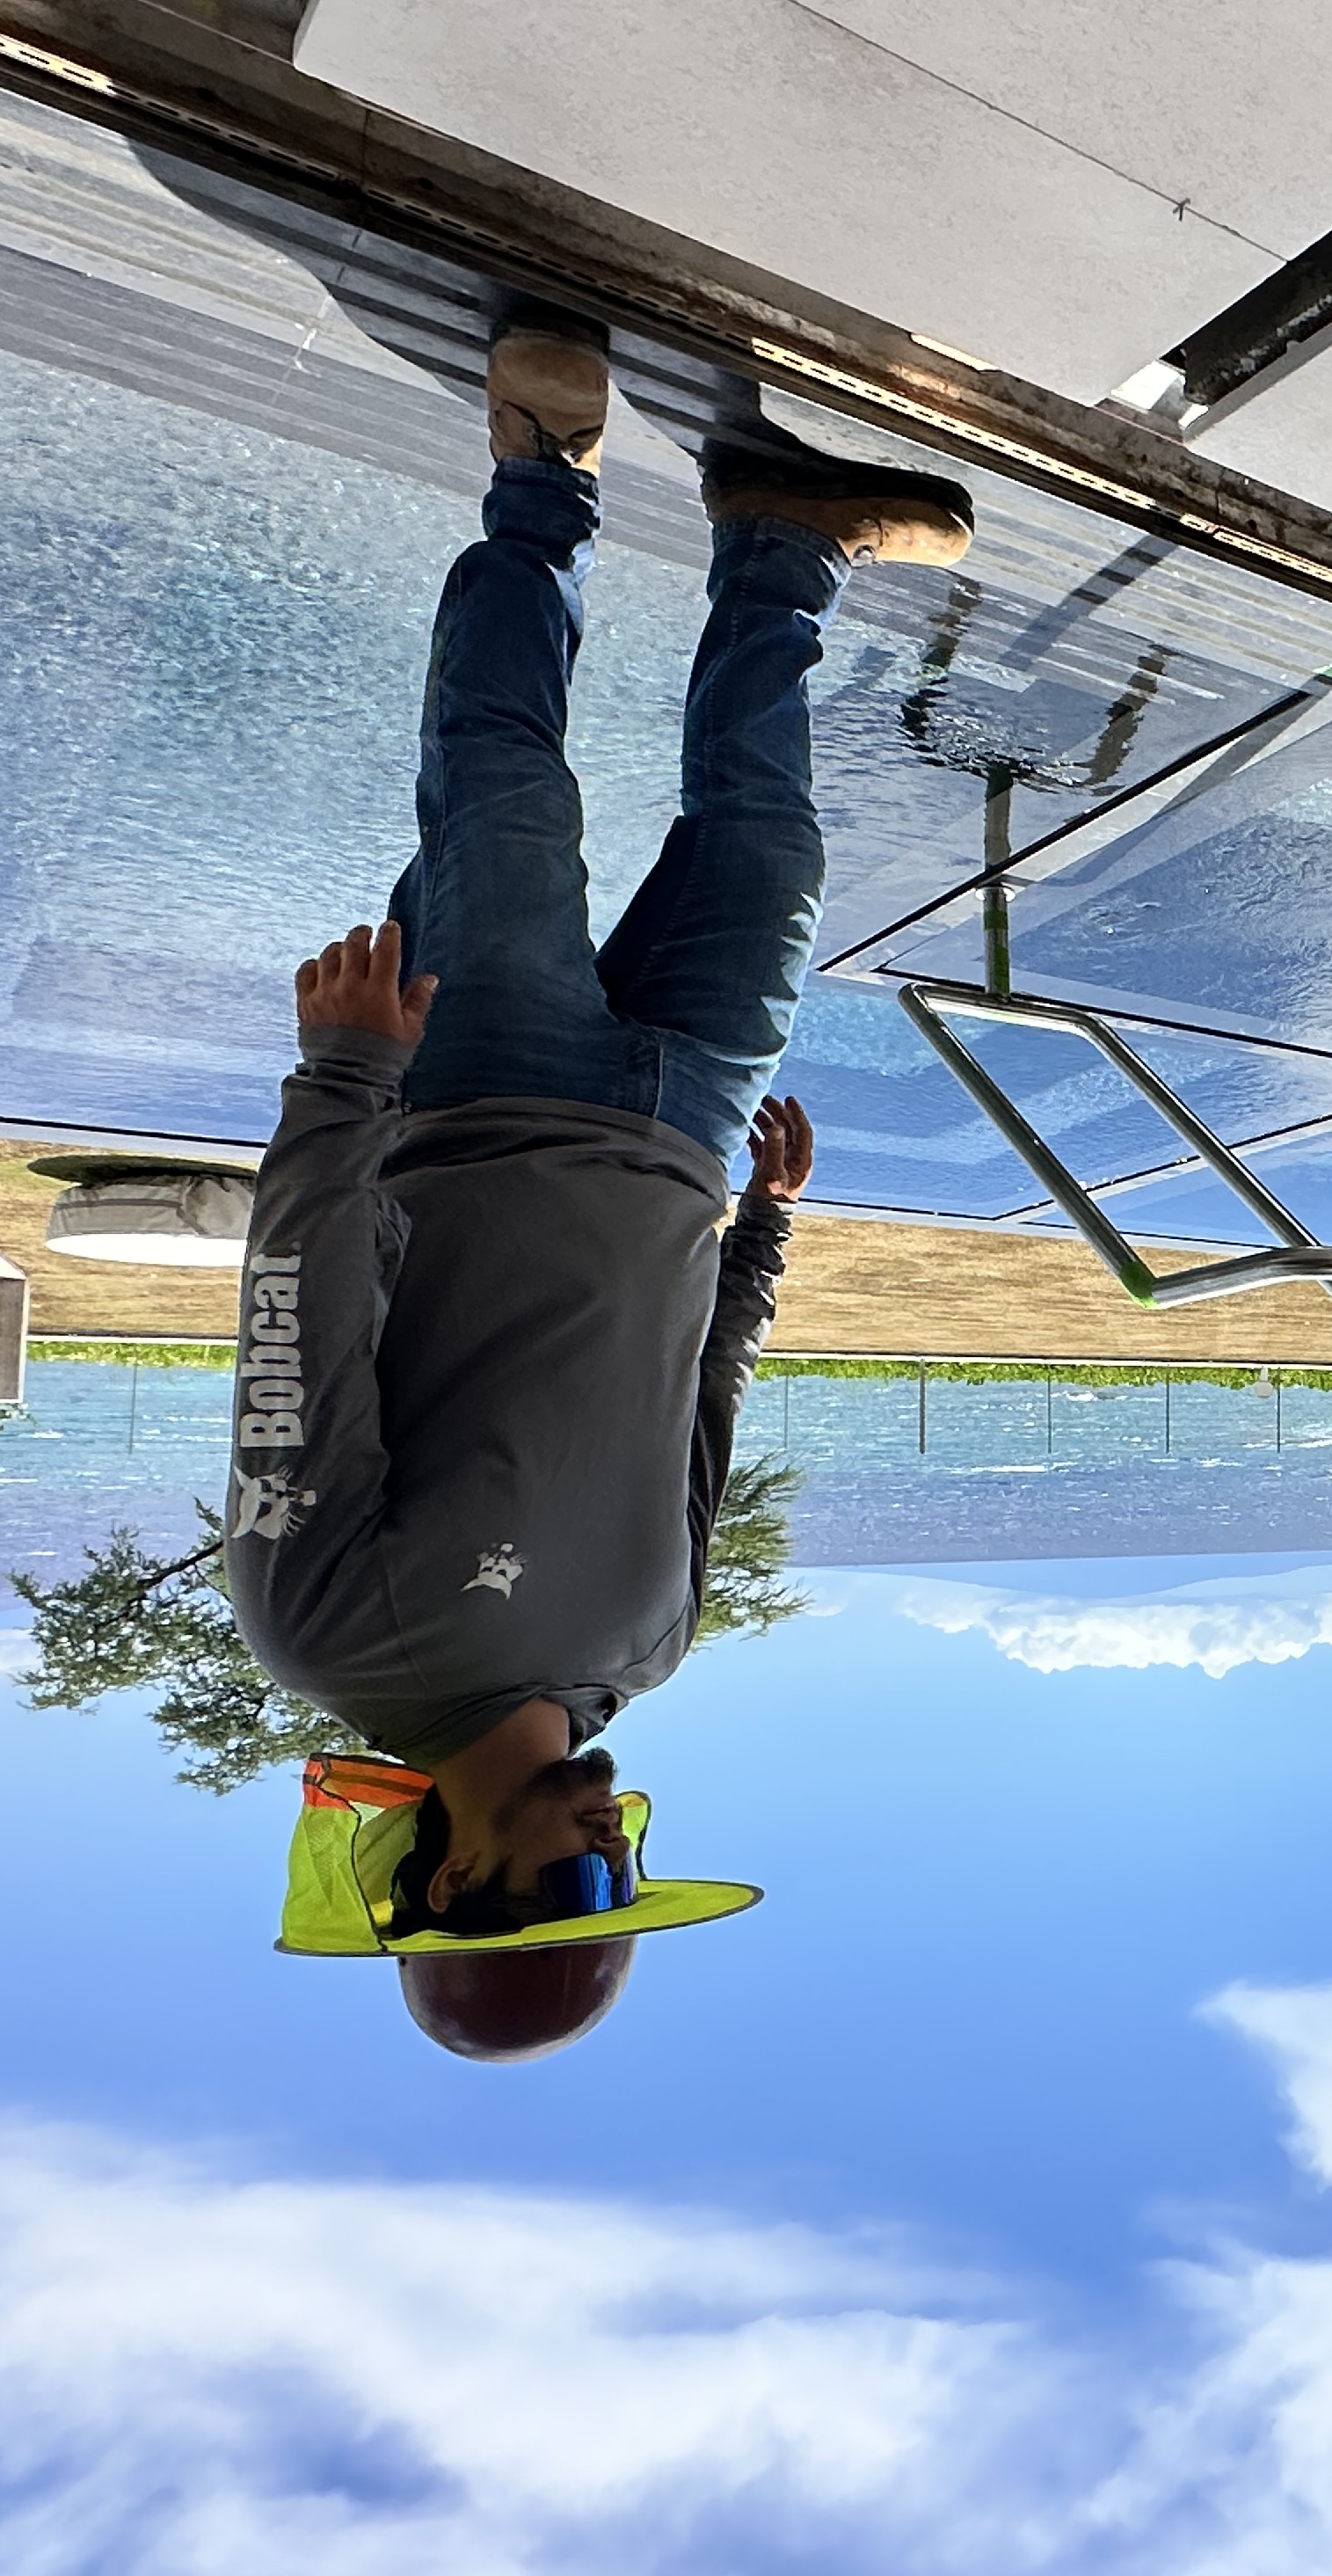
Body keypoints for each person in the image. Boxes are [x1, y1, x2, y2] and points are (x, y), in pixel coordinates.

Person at [230, 311, 973, 2056]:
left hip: (475, 1092)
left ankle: (542, 476)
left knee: (503, 788)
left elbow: (295, 1337)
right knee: (768, 851)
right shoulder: (650, 1645)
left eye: (575, 1889)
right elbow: (696, 1415)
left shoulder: (332, 1636)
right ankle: (780, 542)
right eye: (625, 1878)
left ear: (449, 1880)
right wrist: (764, 1239)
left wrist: (342, 1084)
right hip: (690, 1130)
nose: (610, 1848)